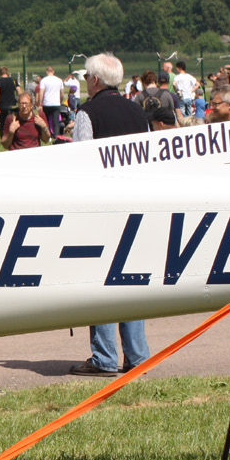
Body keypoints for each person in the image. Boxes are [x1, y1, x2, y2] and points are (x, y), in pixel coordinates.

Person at [70, 53, 150, 376]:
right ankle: (138, 355)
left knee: (100, 283)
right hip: (135, 206)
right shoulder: (137, 111)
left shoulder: (86, 113)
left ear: (95, 80)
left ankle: (104, 357)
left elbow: (81, 163)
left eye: (87, 77)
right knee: (131, 281)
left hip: (101, 210)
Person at [38, 66, 65, 135]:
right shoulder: (59, 80)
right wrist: (60, 101)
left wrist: (40, 104)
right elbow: (62, 94)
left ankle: (47, 134)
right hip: (56, 103)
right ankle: (56, 136)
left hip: (47, 103)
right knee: (56, 121)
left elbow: (41, 93)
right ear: (53, 72)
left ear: (46, 72)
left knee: (46, 121)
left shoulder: (43, 80)